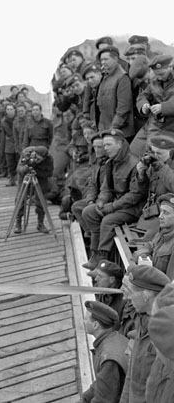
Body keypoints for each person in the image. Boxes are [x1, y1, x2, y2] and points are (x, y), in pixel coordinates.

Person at [81, 129, 147, 270]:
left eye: (108, 145)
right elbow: (106, 189)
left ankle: (103, 258)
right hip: (116, 204)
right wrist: (101, 202)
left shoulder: (134, 164)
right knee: (88, 212)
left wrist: (112, 206)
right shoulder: (111, 163)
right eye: (104, 145)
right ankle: (94, 253)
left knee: (108, 220)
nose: (105, 148)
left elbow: (135, 195)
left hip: (133, 207)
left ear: (120, 144)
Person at [119, 264, 170, 403]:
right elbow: (132, 374)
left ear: (146, 295)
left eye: (130, 291)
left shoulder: (166, 333)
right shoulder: (142, 321)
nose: (125, 297)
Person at [81, 301, 128, 403]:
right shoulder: (117, 338)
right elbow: (102, 382)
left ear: (95, 325)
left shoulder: (108, 358)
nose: (83, 322)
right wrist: (85, 398)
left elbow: (103, 400)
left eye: (86, 319)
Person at [14, 145, 54, 234]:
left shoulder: (49, 159)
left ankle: (40, 223)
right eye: (35, 157)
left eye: (38, 159)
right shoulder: (26, 153)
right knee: (20, 198)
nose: (35, 160)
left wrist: (37, 172)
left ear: (44, 158)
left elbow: (49, 173)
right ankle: (18, 222)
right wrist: (25, 168)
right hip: (25, 176)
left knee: (41, 198)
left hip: (41, 177)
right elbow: (19, 168)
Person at [134, 193, 174, 279]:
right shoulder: (162, 233)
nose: (160, 216)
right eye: (161, 211)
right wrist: (144, 255)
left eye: (166, 213)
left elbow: (170, 283)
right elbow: (150, 246)